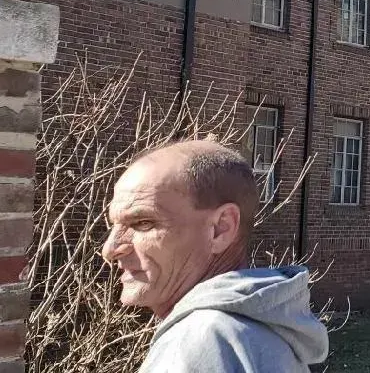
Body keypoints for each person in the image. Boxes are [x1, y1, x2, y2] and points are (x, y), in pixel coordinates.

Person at [101, 139, 329, 372]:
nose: (109, 249)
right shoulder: (261, 331)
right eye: (114, 226)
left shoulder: (202, 340)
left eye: (143, 223)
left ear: (221, 228)